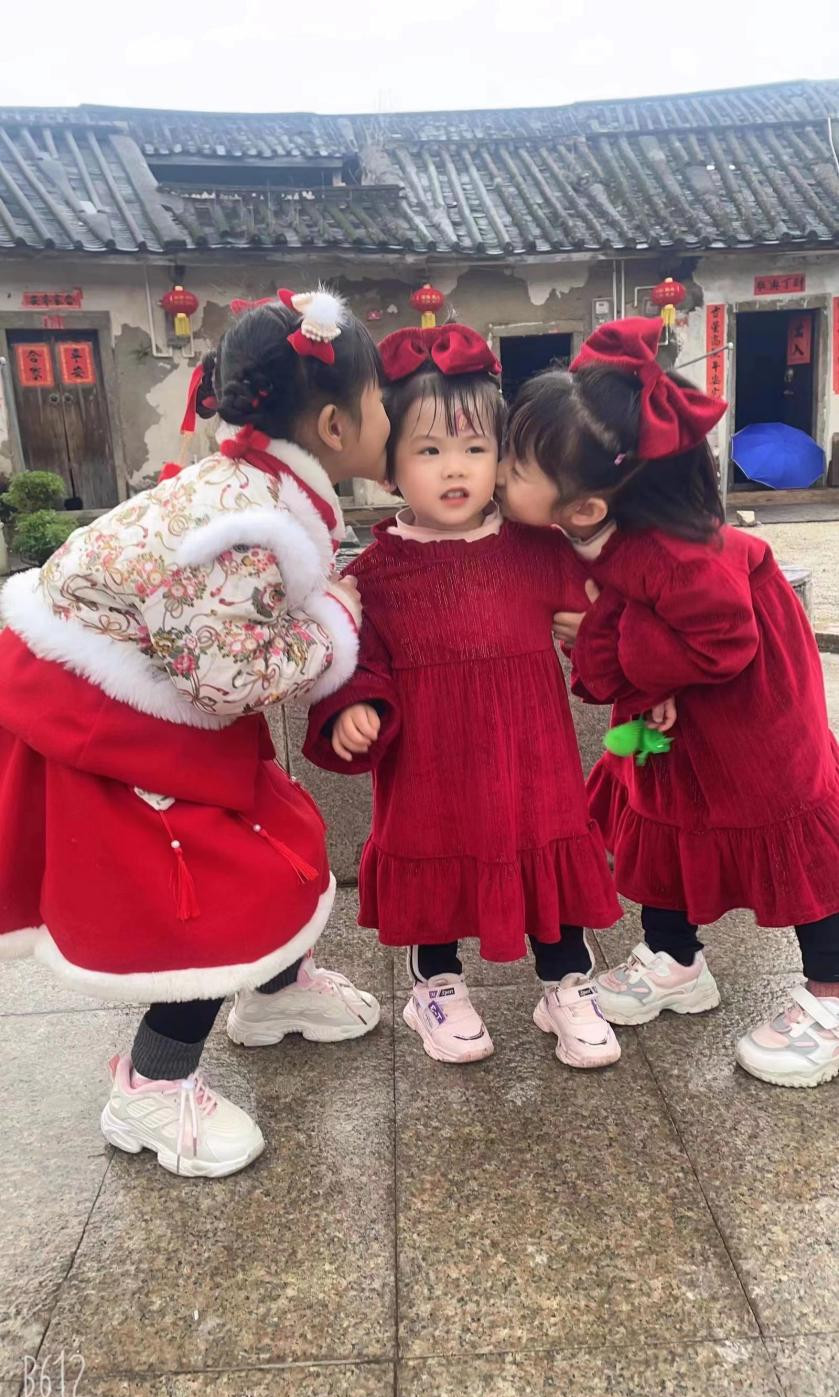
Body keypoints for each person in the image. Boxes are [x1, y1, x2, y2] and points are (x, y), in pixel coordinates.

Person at [0, 289, 390, 1176]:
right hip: (103, 721)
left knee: (278, 833)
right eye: (380, 404)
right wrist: (333, 621)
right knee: (208, 895)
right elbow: (228, 678)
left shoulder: (259, 484)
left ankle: (276, 991)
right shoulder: (243, 525)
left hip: (143, 701)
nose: (389, 418)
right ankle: (150, 1083)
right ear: (335, 425)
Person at [498, 315, 839, 1089]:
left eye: (515, 465)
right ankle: (674, 958)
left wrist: (607, 640)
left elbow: (723, 639)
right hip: (680, 711)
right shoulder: (613, 531)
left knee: (791, 837)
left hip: (746, 719)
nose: (499, 474)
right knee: (660, 815)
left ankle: (830, 989)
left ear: (585, 506)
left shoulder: (680, 556)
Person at [304, 323, 621, 1068]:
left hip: (533, 761)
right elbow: (355, 656)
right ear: (387, 468)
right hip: (430, 769)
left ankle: (565, 983)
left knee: (549, 862)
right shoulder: (375, 574)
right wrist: (354, 704)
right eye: (428, 451)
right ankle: (435, 985)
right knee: (432, 864)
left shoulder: (539, 549)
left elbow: (602, 626)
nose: (455, 467)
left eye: (476, 448)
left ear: (501, 459)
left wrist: (596, 636)